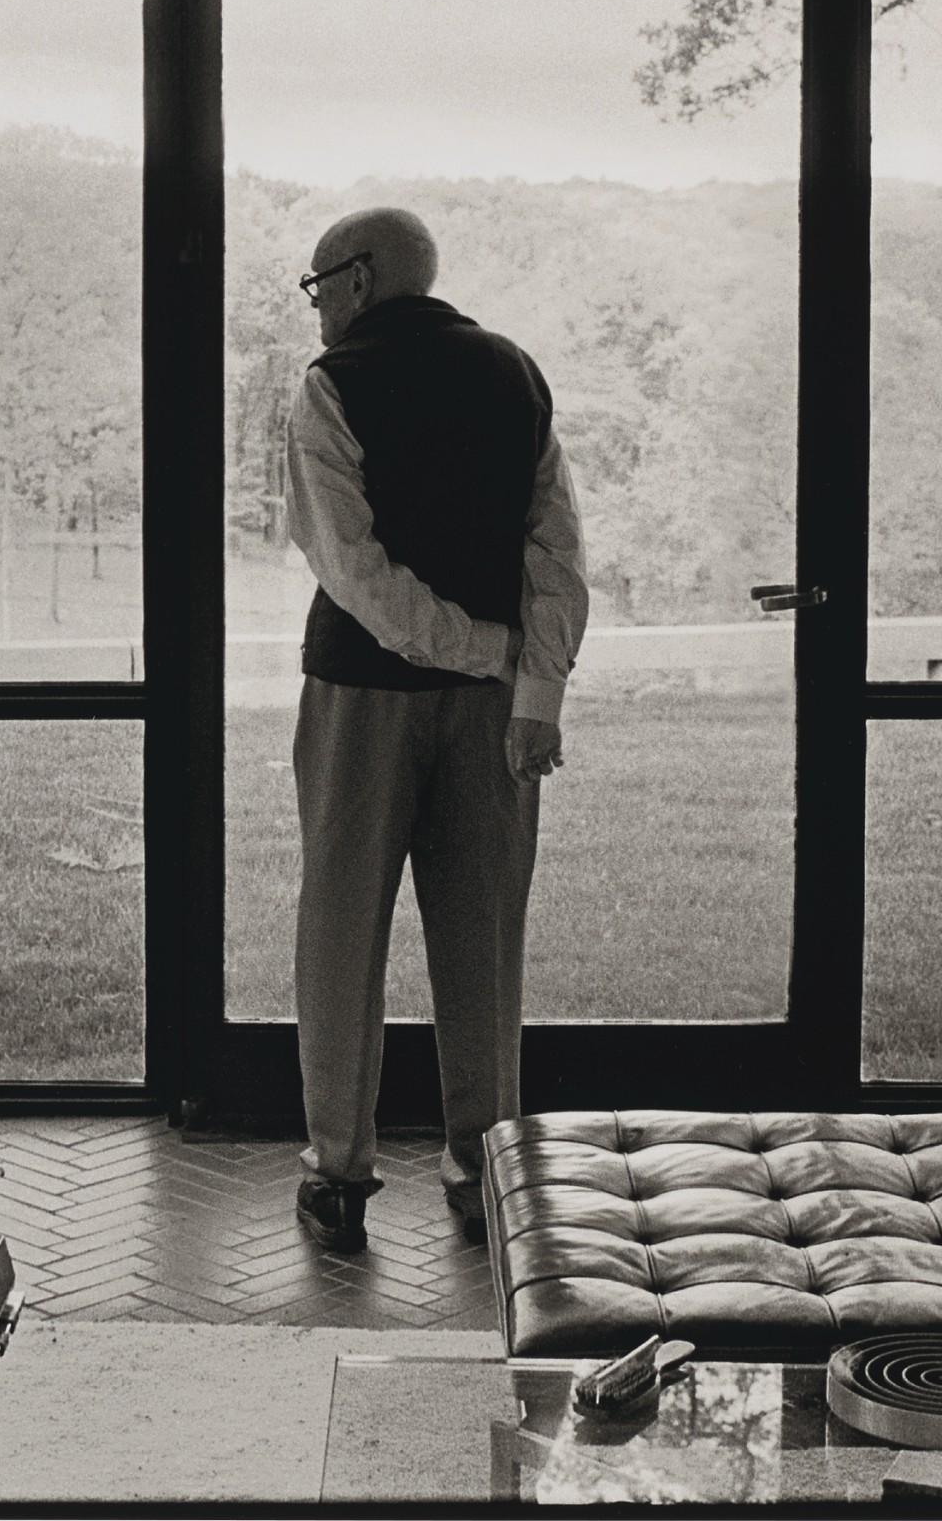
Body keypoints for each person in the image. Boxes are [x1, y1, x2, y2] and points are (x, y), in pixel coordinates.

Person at [281, 208, 588, 1255]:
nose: (316, 301)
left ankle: (337, 1174)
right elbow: (555, 547)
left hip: (361, 695)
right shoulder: (516, 373)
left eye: (317, 282)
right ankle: (480, 1169)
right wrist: (527, 682)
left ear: (361, 279)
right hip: (495, 707)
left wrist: (469, 649)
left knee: (339, 933)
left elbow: (350, 567)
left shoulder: (330, 388)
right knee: (483, 941)